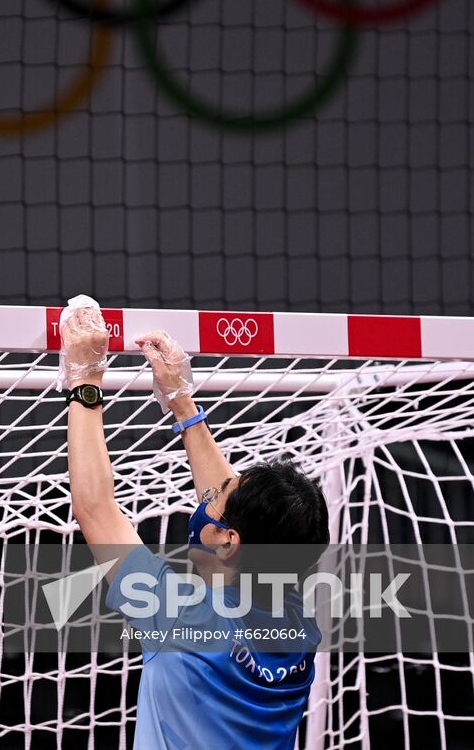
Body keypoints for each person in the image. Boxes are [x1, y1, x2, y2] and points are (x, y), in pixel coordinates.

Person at [59, 295, 329, 750]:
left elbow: (95, 507)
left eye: (217, 498)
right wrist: (183, 405)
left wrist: (85, 379)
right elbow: (249, 518)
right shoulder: (298, 622)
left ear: (228, 540)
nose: (206, 498)